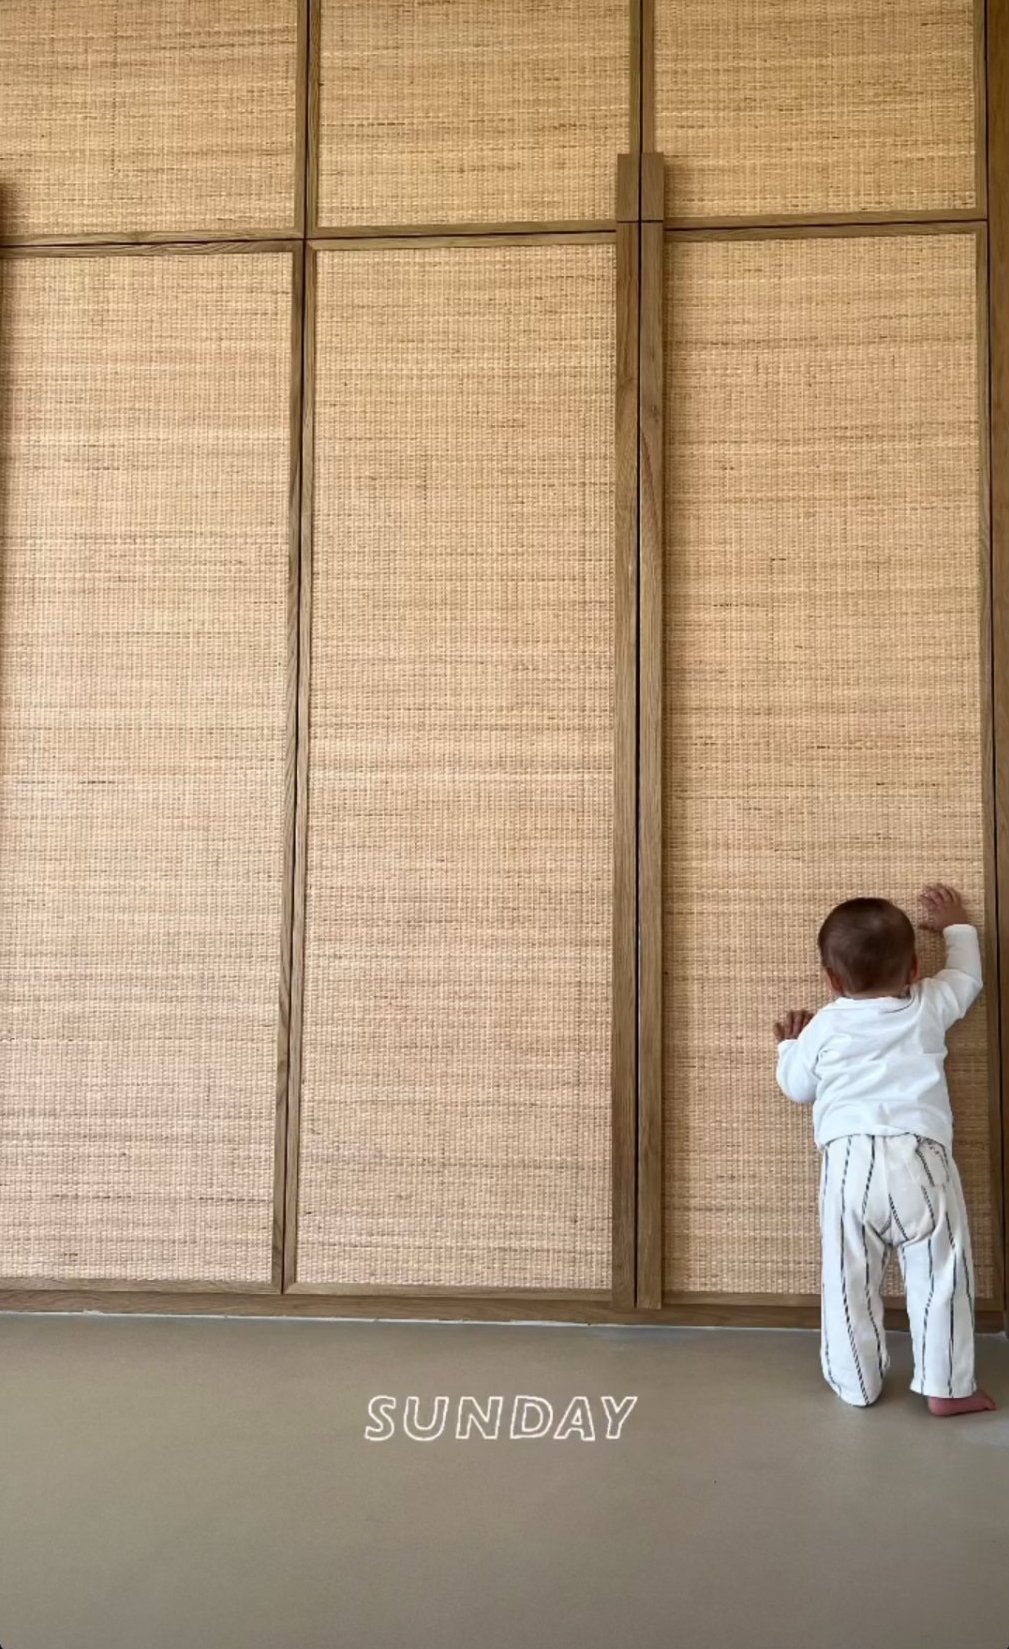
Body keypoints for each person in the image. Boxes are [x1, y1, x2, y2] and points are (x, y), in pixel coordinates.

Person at [774, 883, 996, 1416]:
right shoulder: (927, 1004)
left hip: (850, 1164)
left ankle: (857, 1382)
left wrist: (789, 1046)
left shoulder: (826, 1025)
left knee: (848, 1279)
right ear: (915, 968)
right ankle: (947, 1386)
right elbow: (968, 977)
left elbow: (797, 1087)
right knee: (942, 1274)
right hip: (923, 1160)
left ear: (832, 980)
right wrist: (957, 926)